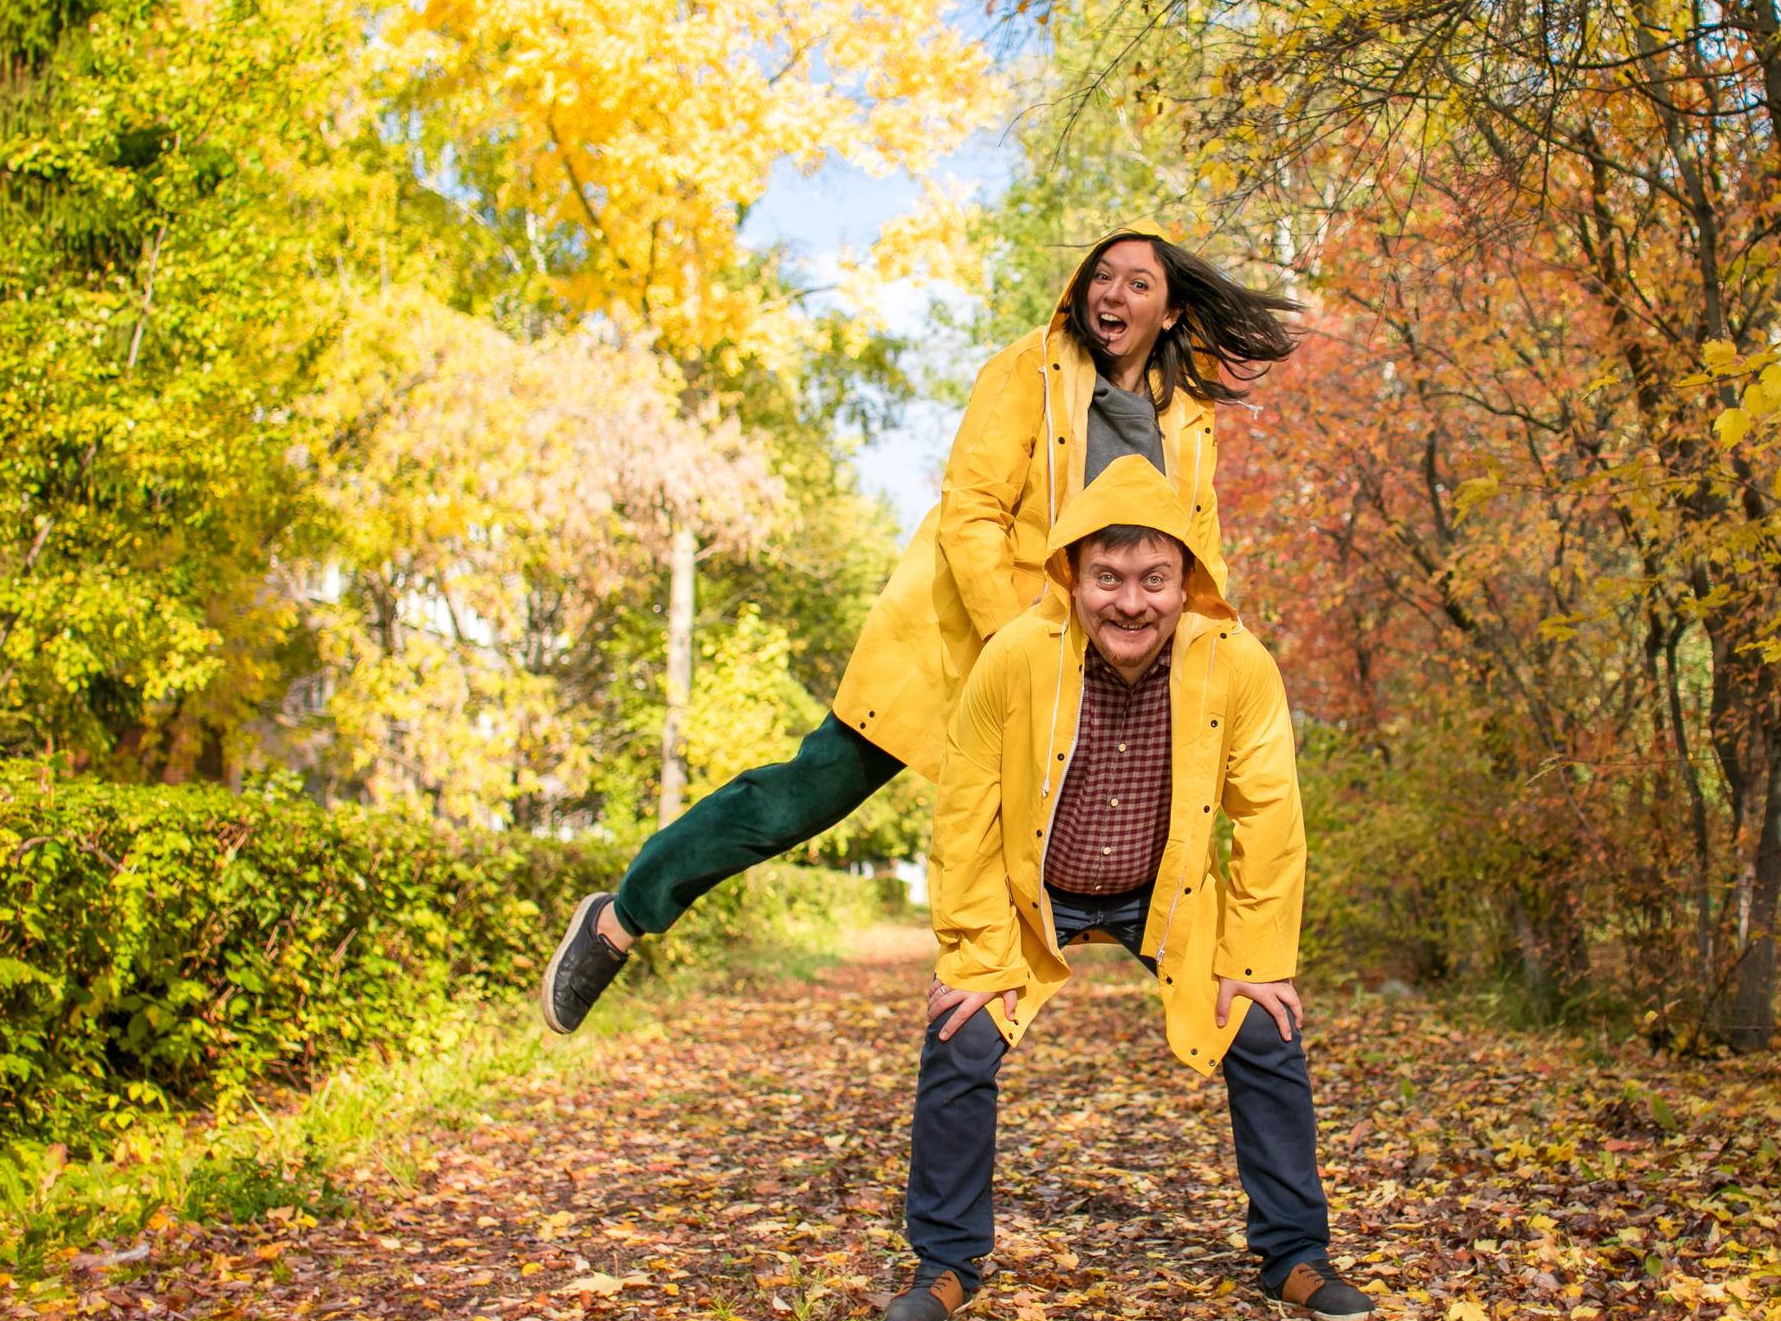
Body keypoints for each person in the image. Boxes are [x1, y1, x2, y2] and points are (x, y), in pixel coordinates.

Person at [540, 230, 1300, 1034]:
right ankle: (621, 915)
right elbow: (973, 511)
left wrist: (1213, 652)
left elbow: (1195, 549)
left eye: (1136, 283)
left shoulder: (1187, 416)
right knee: (802, 795)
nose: (1111, 294)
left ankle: (1244, 1026)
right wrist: (1022, 649)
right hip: (963, 648)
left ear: (1170, 308)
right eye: (1100, 276)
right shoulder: (1027, 371)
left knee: (1175, 830)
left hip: (1113, 667)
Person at [881, 455, 1374, 1321]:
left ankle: (1296, 1255)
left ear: (1188, 582)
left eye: (1154, 579)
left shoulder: (1240, 666)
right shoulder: (1014, 658)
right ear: (1072, 575)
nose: (1130, 602)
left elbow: (1269, 816)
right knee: (960, 1031)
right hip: (1039, 892)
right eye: (1107, 577)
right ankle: (946, 1262)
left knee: (1265, 1025)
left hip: (1168, 889)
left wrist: (1257, 959)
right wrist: (975, 952)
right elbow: (964, 813)